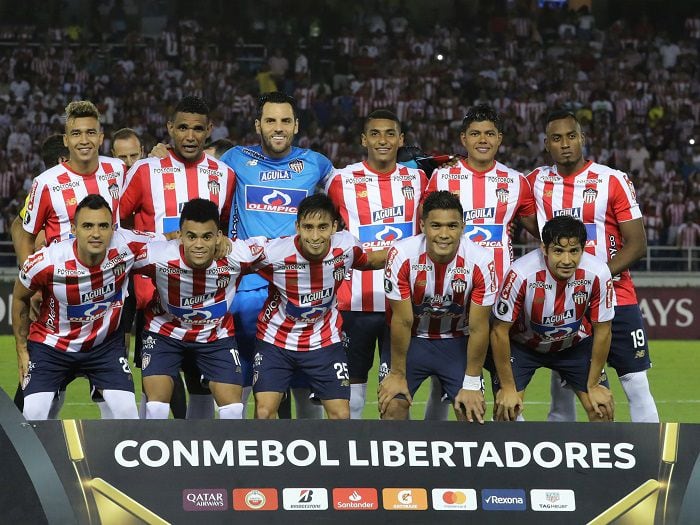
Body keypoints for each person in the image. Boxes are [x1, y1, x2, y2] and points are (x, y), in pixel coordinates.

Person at [528, 110, 658, 422]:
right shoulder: (536, 181)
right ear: (547, 145)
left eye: (571, 136)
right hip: (564, 303)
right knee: (564, 385)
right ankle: (567, 464)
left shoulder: (612, 180)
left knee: (636, 383)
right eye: (557, 139)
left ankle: (655, 464)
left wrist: (597, 277)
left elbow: (637, 244)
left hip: (617, 297)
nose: (565, 144)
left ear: (582, 138)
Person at [219, 91, 333, 419]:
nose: (278, 127)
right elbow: (198, 168)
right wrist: (161, 152)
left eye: (285, 120)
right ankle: (239, 457)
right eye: (270, 120)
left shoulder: (317, 164)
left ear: (296, 125)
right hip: (246, 289)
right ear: (258, 125)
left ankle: (305, 461)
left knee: (302, 381)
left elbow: (351, 192)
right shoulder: (235, 159)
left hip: (299, 292)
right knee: (239, 381)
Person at [120, 95, 235, 419]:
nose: (189, 135)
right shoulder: (145, 170)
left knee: (201, 389)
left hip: (207, 304)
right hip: (155, 304)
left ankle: (197, 462)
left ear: (209, 130)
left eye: (198, 128)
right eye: (182, 127)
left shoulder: (223, 174)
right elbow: (120, 226)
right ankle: (147, 456)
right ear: (170, 128)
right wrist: (160, 240)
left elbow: (225, 228)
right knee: (155, 391)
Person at [423, 104, 539, 420]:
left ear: (500, 138)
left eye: (489, 133)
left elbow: (540, 233)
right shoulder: (444, 177)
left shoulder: (516, 181)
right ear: (464, 139)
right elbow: (427, 231)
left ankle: (511, 455)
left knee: (505, 381)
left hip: (500, 298)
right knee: (445, 383)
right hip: (453, 295)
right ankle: (437, 447)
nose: (482, 139)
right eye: (475, 134)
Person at [12, 195, 156, 420]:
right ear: (73, 229)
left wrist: (220, 243)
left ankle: (114, 455)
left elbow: (171, 244)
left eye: (103, 226)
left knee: (127, 411)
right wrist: (22, 350)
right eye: (87, 226)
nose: (96, 234)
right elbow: (20, 297)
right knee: (33, 413)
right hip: (52, 347)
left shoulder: (128, 245)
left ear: (113, 229)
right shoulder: (48, 261)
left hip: (104, 348)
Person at [325, 109, 428, 419]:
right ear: (363, 139)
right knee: (350, 396)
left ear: (401, 139)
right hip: (353, 302)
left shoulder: (419, 179)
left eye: (389, 133)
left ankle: (392, 465)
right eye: (375, 133)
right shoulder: (341, 180)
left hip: (401, 305)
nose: (382, 140)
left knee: (395, 395)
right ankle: (350, 463)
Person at [253, 194, 386, 419]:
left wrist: (415, 252)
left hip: (324, 340)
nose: (315, 236)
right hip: (276, 339)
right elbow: (231, 260)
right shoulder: (274, 252)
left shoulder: (346, 247)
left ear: (334, 226)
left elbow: (369, 261)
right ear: (297, 226)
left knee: (341, 416)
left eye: (323, 227)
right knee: (264, 412)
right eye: (308, 227)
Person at [135, 199, 264, 420]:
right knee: (156, 407)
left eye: (207, 236)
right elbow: (114, 259)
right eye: (191, 236)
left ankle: (219, 453)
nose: (199, 244)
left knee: (233, 410)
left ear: (218, 236)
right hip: (164, 333)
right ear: (180, 235)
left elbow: (284, 250)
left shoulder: (238, 255)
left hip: (216, 337)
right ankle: (151, 451)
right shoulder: (157, 256)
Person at [378, 191, 496, 422]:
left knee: (471, 411)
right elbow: (402, 321)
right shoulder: (401, 255)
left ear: (463, 226)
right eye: (436, 225)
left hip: (457, 342)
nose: (444, 234)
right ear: (422, 225)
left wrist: (472, 382)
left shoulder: (482, 260)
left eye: (452, 226)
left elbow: (479, 328)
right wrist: (397, 374)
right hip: (411, 340)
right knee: (392, 407)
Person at [491, 215, 615, 423]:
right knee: (506, 413)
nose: (567, 260)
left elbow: (603, 330)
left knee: (601, 410)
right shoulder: (520, 273)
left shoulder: (599, 273)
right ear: (544, 248)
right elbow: (499, 331)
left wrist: (593, 385)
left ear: (583, 249)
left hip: (574, 347)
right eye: (558, 251)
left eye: (574, 251)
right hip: (524, 348)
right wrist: (508, 387)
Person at [14, 100, 125, 268]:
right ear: (66, 140)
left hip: (111, 284)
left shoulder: (119, 169)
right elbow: (25, 235)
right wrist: (30, 280)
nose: (84, 140)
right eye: (76, 134)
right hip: (63, 286)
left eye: (91, 132)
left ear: (101, 137)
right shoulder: (45, 183)